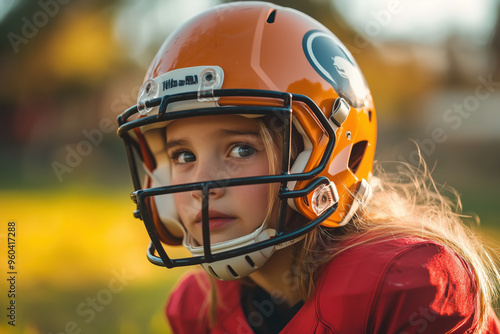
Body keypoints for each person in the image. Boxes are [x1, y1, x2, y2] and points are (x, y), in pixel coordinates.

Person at [117, 2, 500, 333]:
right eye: (183, 156)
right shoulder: (196, 307)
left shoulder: (406, 284)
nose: (203, 183)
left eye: (239, 149)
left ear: (322, 159)